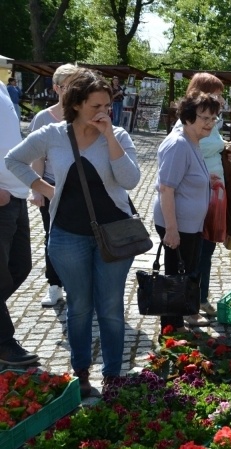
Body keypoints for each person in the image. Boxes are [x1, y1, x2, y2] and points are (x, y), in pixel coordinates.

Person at [6, 71, 141, 396]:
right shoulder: (53, 134)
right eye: (96, 105)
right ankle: (81, 376)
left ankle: (113, 377)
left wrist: (108, 138)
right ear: (77, 104)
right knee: (79, 307)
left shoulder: (119, 135)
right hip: (67, 237)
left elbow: (130, 180)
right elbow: (14, 160)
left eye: (107, 105)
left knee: (110, 308)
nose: (103, 112)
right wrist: (45, 189)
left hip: (114, 234)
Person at [153, 92, 221, 334]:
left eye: (213, 118)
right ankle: (171, 328)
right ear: (188, 117)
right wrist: (171, 229)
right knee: (175, 277)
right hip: (177, 224)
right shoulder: (178, 144)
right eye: (204, 117)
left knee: (186, 273)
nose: (210, 123)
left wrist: (206, 180)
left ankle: (181, 318)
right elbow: (166, 188)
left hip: (190, 224)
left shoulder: (193, 141)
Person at [171, 73, 231, 326]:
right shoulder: (188, 123)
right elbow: (194, 146)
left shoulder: (212, 121)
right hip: (197, 194)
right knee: (195, 252)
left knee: (207, 250)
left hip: (213, 192)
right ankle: (189, 304)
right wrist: (223, 147)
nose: (220, 98)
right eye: (216, 92)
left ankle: (201, 296)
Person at [28, 64, 83, 308]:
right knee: (53, 235)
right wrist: (36, 189)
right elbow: (36, 156)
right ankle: (54, 284)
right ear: (56, 88)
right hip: (51, 184)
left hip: (80, 186)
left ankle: (76, 284)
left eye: (76, 85)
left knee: (81, 235)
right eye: (67, 86)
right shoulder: (43, 118)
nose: (72, 90)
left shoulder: (85, 113)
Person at [0, 81, 38, 367]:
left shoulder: (2, 87)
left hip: (16, 194)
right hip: (1, 196)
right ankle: (3, 343)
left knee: (20, 266)